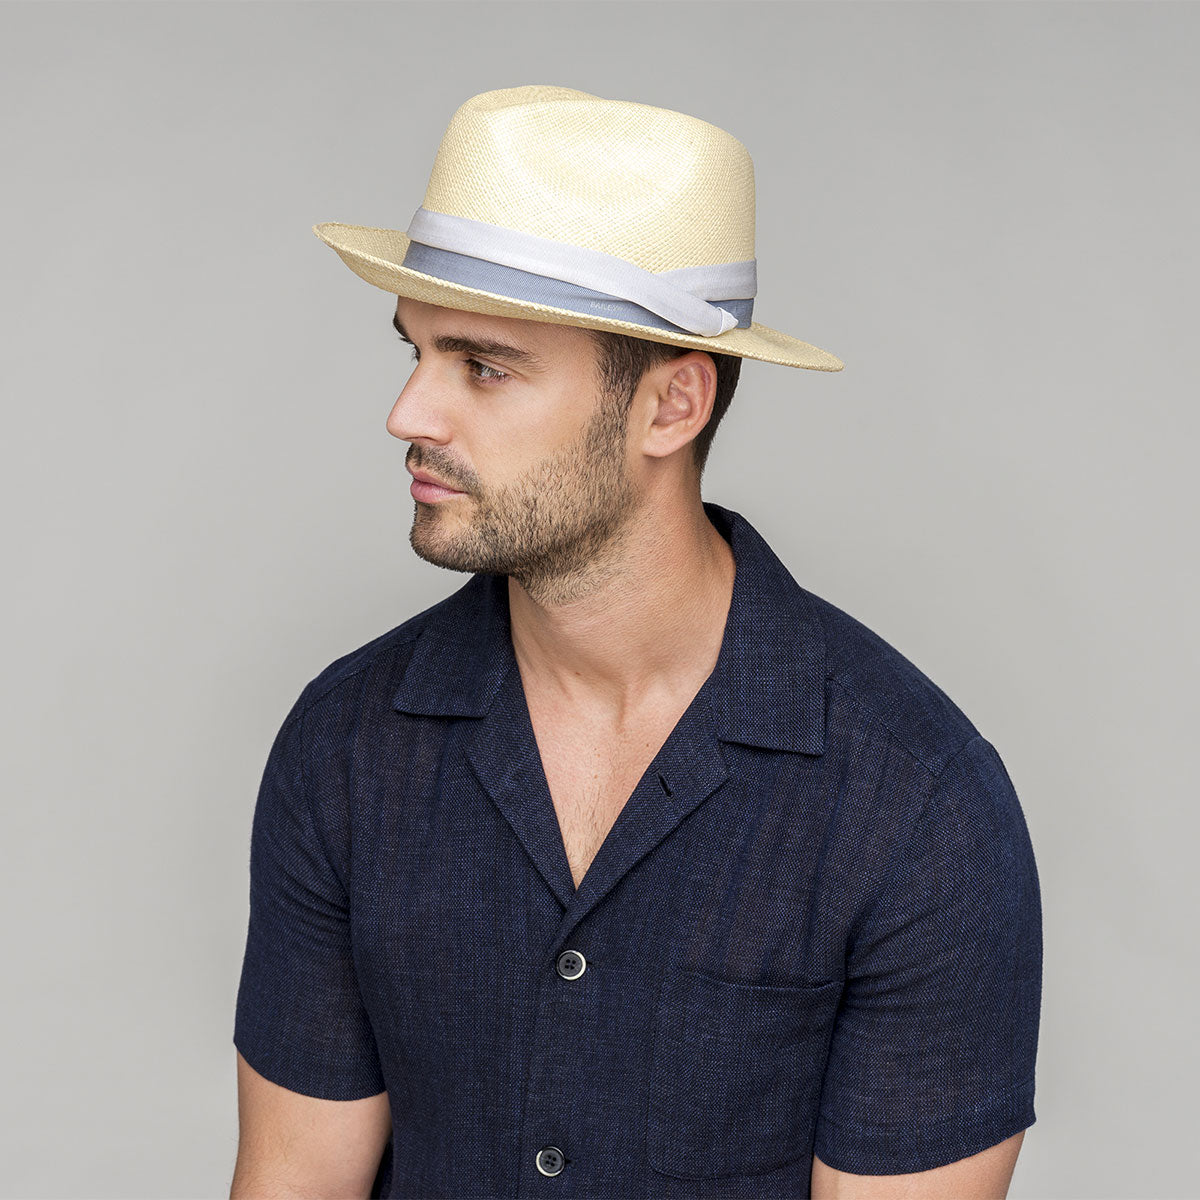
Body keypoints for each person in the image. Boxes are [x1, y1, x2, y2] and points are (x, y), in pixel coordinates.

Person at [230, 85, 1042, 1200]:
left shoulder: (914, 807)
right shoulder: (348, 746)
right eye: (414, 352)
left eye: (484, 366)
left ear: (672, 406)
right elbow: (293, 1181)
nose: (408, 414)